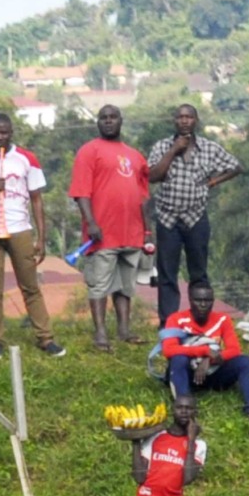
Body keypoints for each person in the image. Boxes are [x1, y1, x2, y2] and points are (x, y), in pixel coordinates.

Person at [0, 114, 64, 358]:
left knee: (30, 286)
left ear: (11, 132)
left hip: (19, 229)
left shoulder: (27, 158)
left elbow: (37, 199)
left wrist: (41, 236)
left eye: (3, 132)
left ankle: (45, 338)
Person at [147, 105, 242, 325]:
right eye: (180, 117)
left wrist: (214, 181)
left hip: (196, 218)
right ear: (174, 121)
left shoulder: (208, 148)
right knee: (167, 274)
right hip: (167, 218)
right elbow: (153, 176)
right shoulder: (162, 146)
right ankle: (168, 323)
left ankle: (201, 321)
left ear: (196, 120)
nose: (184, 121)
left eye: (189, 117)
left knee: (198, 273)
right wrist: (173, 150)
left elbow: (236, 166)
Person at [67, 104, 150, 350]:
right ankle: (100, 334)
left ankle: (124, 330)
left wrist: (146, 230)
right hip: (102, 232)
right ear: (98, 122)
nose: (108, 121)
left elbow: (143, 195)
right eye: (104, 117)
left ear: (121, 120)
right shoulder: (89, 151)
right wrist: (91, 222)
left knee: (126, 285)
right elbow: (81, 191)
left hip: (131, 232)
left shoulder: (134, 154)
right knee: (100, 283)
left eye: (113, 117)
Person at [158, 282, 249, 422]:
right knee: (178, 359)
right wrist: (205, 351)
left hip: (213, 372)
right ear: (190, 300)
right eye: (198, 300)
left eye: (207, 301)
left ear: (213, 302)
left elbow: (235, 350)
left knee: (245, 361)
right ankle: (186, 409)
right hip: (187, 373)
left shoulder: (222, 319)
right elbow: (168, 350)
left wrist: (210, 360)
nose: (202, 305)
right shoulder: (176, 319)